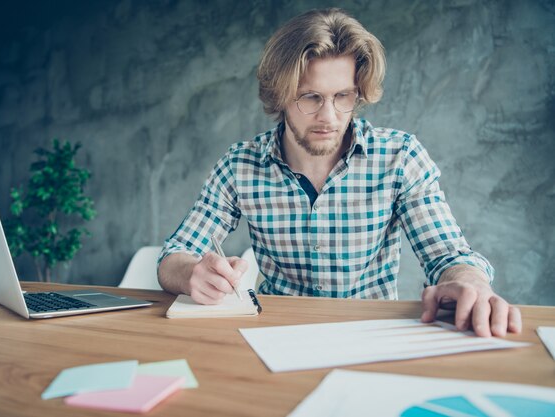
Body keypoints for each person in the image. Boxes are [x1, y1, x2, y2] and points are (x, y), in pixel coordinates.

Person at [157, 8, 522, 337]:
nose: (329, 117)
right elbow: (174, 255)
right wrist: (193, 274)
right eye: (311, 97)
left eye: (343, 97)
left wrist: (472, 286)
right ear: (280, 95)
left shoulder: (401, 157)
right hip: (273, 337)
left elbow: (450, 257)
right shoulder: (240, 166)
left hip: (372, 338)